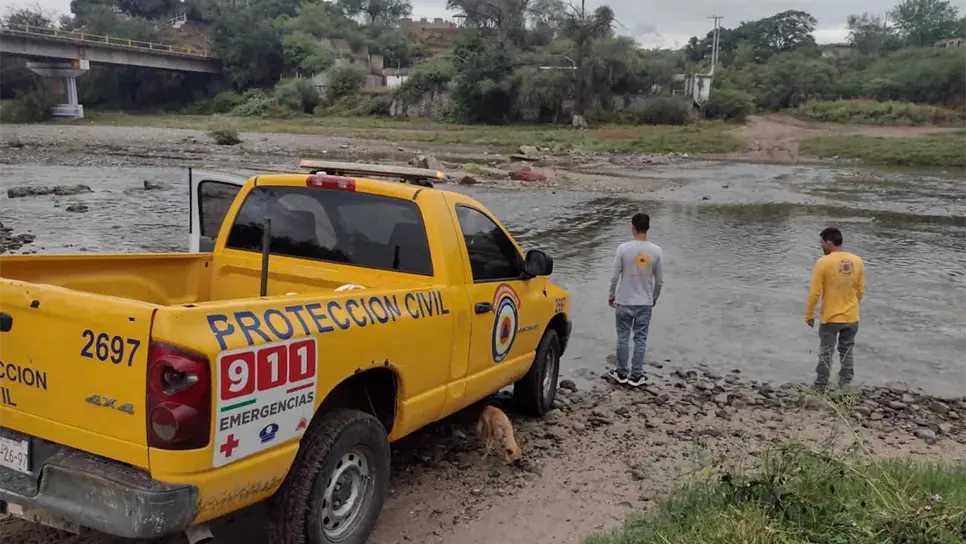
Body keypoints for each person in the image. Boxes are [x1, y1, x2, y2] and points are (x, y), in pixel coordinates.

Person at [805, 227, 865, 391]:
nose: (821, 246)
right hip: (852, 317)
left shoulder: (823, 262)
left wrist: (809, 314)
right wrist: (851, 305)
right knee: (847, 351)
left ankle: (820, 385)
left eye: (822, 243)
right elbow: (860, 291)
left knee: (826, 351)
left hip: (831, 317)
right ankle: (845, 386)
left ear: (829, 243)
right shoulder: (857, 261)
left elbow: (814, 293)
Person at [607, 213, 663, 387]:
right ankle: (636, 375)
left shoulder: (623, 249)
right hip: (644, 302)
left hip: (624, 300)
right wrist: (653, 298)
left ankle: (622, 372)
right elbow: (659, 281)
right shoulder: (657, 251)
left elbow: (614, 276)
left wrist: (611, 296)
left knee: (623, 337)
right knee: (641, 338)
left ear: (633, 227)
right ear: (648, 228)